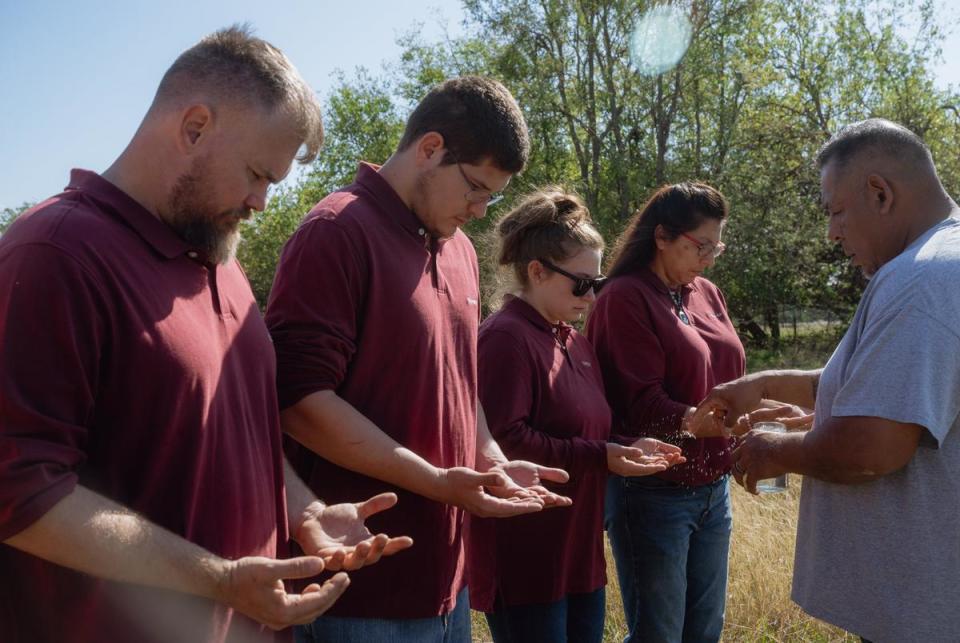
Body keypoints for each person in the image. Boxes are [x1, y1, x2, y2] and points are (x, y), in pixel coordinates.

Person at [0, 26, 411, 643]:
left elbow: (237, 432)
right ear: (194, 127)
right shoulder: (54, 254)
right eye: (256, 174)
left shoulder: (219, 259)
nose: (261, 202)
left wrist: (303, 511)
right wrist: (218, 578)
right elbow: (21, 493)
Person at [265, 76, 571, 643]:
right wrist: (434, 480)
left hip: (447, 582)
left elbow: (460, 380)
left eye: (492, 197)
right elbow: (298, 402)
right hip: (360, 591)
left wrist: (490, 458)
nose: (481, 212)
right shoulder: (335, 232)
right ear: (430, 149)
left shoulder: (457, 250)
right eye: (476, 188)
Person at [693, 118, 960, 642]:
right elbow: (873, 379)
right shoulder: (939, 265)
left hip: (923, 617)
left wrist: (773, 449)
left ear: (880, 193)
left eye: (837, 212)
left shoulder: (922, 280)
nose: (832, 233)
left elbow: (871, 449)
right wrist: (765, 384)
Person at [467, 188, 684, 643]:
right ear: (536, 271)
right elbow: (505, 443)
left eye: (597, 284)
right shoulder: (504, 339)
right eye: (582, 283)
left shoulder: (571, 339)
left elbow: (587, 433)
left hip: (578, 554)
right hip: (527, 558)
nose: (591, 296)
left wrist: (624, 446)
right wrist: (603, 455)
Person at [584, 182, 745, 643]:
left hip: (714, 488)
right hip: (654, 492)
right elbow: (636, 401)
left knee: (704, 631)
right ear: (661, 237)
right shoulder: (624, 297)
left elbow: (729, 378)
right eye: (701, 246)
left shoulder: (707, 293)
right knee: (660, 634)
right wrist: (691, 420)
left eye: (718, 245)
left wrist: (750, 411)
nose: (711, 257)